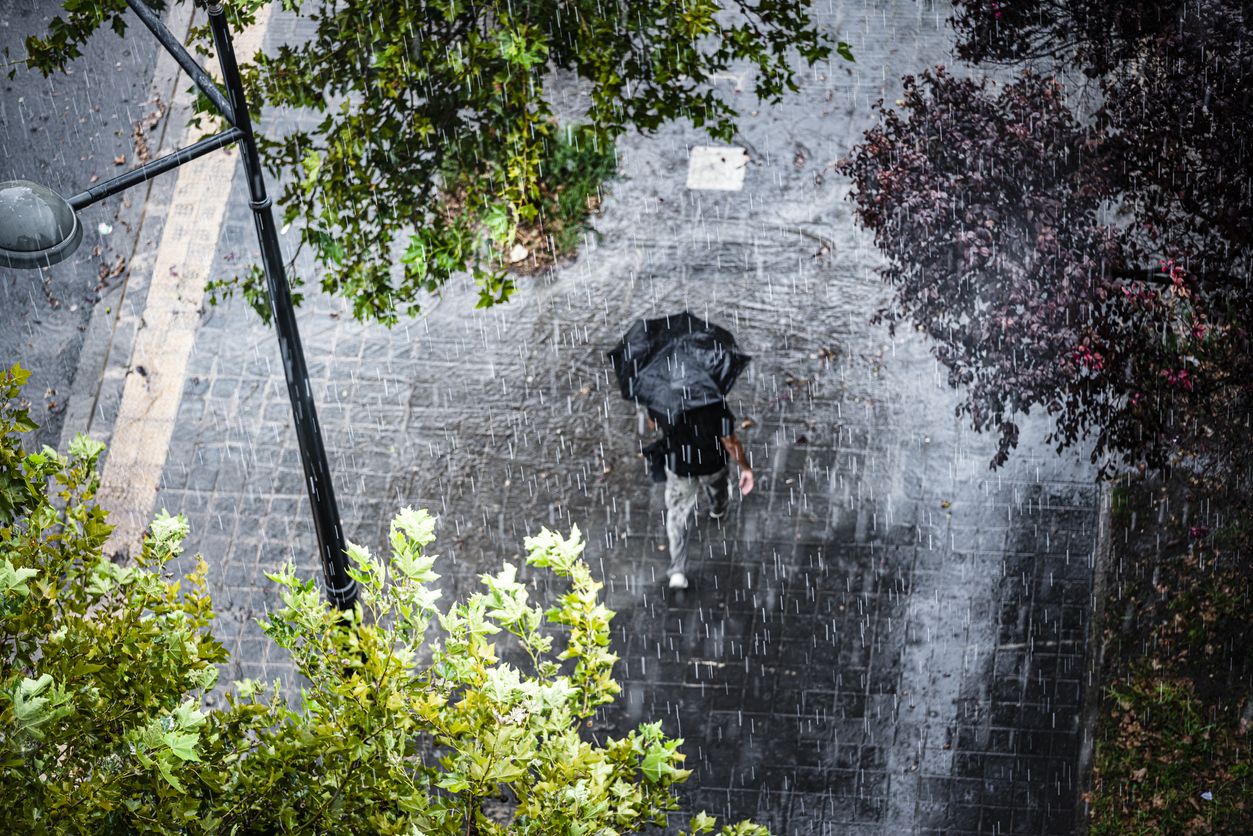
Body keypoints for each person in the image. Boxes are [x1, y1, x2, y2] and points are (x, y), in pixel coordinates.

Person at [646, 400, 754, 589]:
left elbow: (652, 424)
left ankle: (678, 571)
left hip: (679, 465)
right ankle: (718, 509)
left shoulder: (661, 397)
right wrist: (745, 467)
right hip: (713, 462)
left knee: (678, 516)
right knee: (717, 488)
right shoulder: (712, 401)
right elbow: (729, 441)